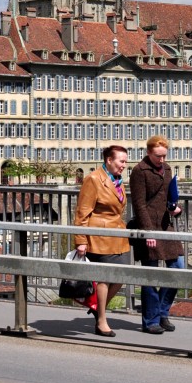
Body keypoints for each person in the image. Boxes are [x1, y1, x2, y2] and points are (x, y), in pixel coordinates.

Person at [73, 144, 130, 337]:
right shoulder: (94, 179)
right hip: (99, 235)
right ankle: (101, 321)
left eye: (125, 161)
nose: (124, 165)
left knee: (122, 275)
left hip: (116, 235)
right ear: (109, 160)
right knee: (104, 278)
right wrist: (81, 240)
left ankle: (98, 308)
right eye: (121, 161)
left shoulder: (116, 179)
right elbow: (82, 212)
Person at [128, 134, 184, 335]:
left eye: (164, 156)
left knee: (178, 269)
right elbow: (139, 204)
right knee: (150, 274)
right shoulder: (139, 171)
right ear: (148, 153)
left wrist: (176, 208)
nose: (162, 160)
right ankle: (151, 320)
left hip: (165, 225)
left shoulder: (167, 169)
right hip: (149, 226)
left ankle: (162, 312)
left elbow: (170, 196)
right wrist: (147, 232)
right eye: (158, 156)